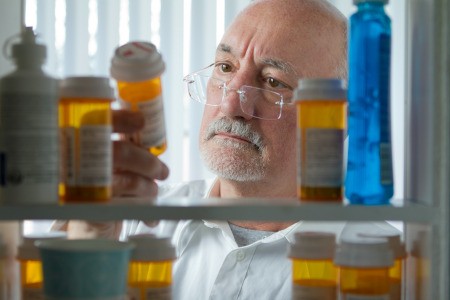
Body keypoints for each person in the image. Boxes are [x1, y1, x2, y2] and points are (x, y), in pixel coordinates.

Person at [61, 0, 398, 298]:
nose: (230, 104)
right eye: (226, 67)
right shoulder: (134, 223)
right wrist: (89, 240)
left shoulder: (385, 265)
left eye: (273, 81)